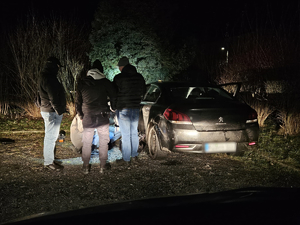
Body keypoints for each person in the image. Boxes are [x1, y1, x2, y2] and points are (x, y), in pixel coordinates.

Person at [76, 60, 117, 174]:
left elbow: (78, 102)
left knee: (87, 141)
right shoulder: (105, 82)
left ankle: (85, 166)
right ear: (101, 70)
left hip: (87, 115)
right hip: (102, 115)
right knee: (104, 141)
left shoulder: (82, 83)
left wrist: (81, 115)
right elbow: (114, 96)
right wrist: (113, 107)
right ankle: (103, 166)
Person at [113, 57, 146, 166]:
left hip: (123, 108)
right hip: (135, 107)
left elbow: (114, 94)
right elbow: (144, 91)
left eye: (119, 67)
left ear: (122, 67)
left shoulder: (118, 78)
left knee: (126, 134)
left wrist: (114, 106)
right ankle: (134, 156)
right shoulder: (139, 77)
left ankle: (126, 159)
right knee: (134, 133)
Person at [38, 57, 66, 171]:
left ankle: (49, 160)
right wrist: (59, 110)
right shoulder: (50, 78)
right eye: (58, 67)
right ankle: (49, 162)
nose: (59, 69)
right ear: (54, 66)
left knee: (51, 136)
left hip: (48, 109)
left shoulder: (44, 76)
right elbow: (53, 96)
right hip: (51, 111)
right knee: (51, 137)